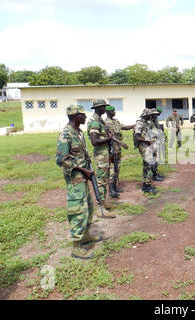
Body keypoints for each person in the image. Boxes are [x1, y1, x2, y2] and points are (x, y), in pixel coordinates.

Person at [56, 104, 103, 259]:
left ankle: (86, 236)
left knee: (88, 207)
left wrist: (88, 171)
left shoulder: (79, 132)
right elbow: (61, 160)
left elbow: (83, 155)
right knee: (78, 211)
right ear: (76, 116)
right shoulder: (66, 134)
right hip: (75, 180)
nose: (84, 117)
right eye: (82, 115)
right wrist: (83, 170)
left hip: (84, 178)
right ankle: (76, 246)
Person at [87, 99, 116, 218]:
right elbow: (94, 141)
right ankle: (100, 209)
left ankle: (104, 202)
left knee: (105, 179)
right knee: (101, 181)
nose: (105, 109)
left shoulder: (100, 121)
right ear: (98, 108)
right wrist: (109, 138)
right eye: (103, 107)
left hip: (105, 154)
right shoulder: (95, 122)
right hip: (101, 155)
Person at [104, 105, 135, 197]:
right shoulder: (106, 123)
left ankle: (115, 187)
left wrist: (134, 125)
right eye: (113, 111)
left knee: (118, 167)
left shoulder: (116, 121)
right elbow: (110, 136)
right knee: (113, 168)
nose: (114, 112)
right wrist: (121, 143)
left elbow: (124, 127)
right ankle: (111, 190)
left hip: (118, 148)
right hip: (112, 148)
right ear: (108, 112)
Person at [134, 108, 158, 194]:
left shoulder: (148, 123)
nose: (151, 116)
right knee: (148, 165)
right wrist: (146, 140)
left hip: (149, 146)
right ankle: (147, 186)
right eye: (149, 115)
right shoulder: (139, 123)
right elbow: (137, 137)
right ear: (145, 115)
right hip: (143, 146)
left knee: (147, 166)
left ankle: (146, 185)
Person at [149, 107, 166, 181]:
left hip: (156, 140)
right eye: (156, 114)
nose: (157, 115)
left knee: (157, 158)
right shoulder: (148, 121)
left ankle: (155, 173)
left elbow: (158, 128)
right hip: (151, 142)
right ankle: (154, 175)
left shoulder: (155, 119)